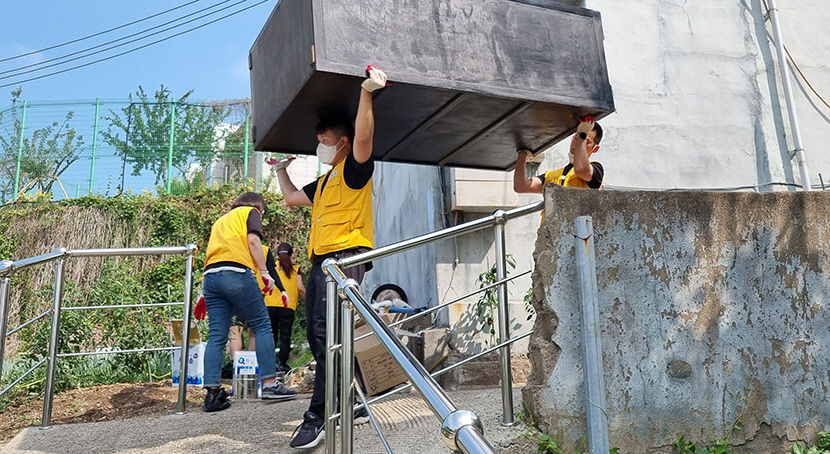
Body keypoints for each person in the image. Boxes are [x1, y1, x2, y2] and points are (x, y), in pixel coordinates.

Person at [268, 65, 387, 449]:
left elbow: (364, 135)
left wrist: (366, 92)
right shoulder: (323, 182)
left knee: (324, 333)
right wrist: (281, 171)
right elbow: (291, 198)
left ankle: (318, 416)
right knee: (327, 334)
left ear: (343, 142)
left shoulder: (354, 170)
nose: (320, 143)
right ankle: (353, 400)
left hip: (344, 259)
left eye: (325, 138)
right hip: (322, 263)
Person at [198, 191, 296, 412]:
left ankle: (213, 394)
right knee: (262, 325)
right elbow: (253, 241)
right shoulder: (251, 212)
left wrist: (204, 294)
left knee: (217, 334)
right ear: (259, 208)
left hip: (211, 277)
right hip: (236, 273)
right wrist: (265, 272)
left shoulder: (221, 221)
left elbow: (217, 254)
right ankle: (270, 384)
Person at [513, 116, 604, 195]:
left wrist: (582, 136)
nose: (577, 141)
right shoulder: (552, 175)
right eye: (576, 137)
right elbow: (521, 186)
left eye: (586, 141)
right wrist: (522, 154)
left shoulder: (596, 169)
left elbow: (581, 169)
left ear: (595, 149)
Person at [269, 242, 305, 374]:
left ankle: (270, 363)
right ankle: (282, 364)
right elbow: (300, 288)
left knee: (271, 335)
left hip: (270, 304)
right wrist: (309, 302)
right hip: (287, 305)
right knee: (285, 336)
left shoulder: (272, 267)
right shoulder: (295, 269)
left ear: (277, 255)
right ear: (291, 254)